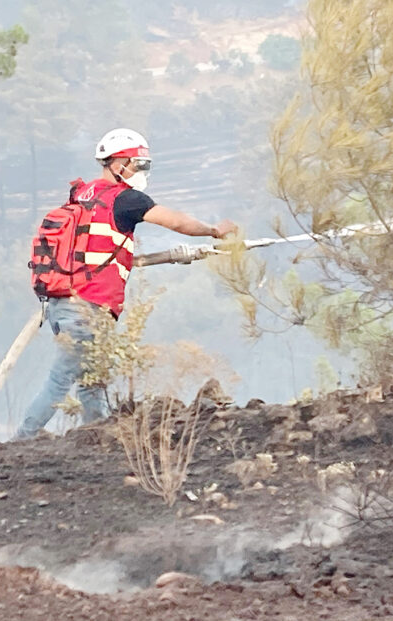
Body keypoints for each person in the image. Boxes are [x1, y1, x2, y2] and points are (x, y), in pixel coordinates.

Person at [16, 128, 236, 439]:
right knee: (62, 378)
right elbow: (175, 220)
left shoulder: (83, 194)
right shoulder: (127, 199)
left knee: (93, 379)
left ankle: (92, 437)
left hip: (65, 306)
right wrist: (213, 230)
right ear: (118, 163)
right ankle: (24, 438)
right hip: (86, 310)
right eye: (139, 164)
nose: (142, 171)